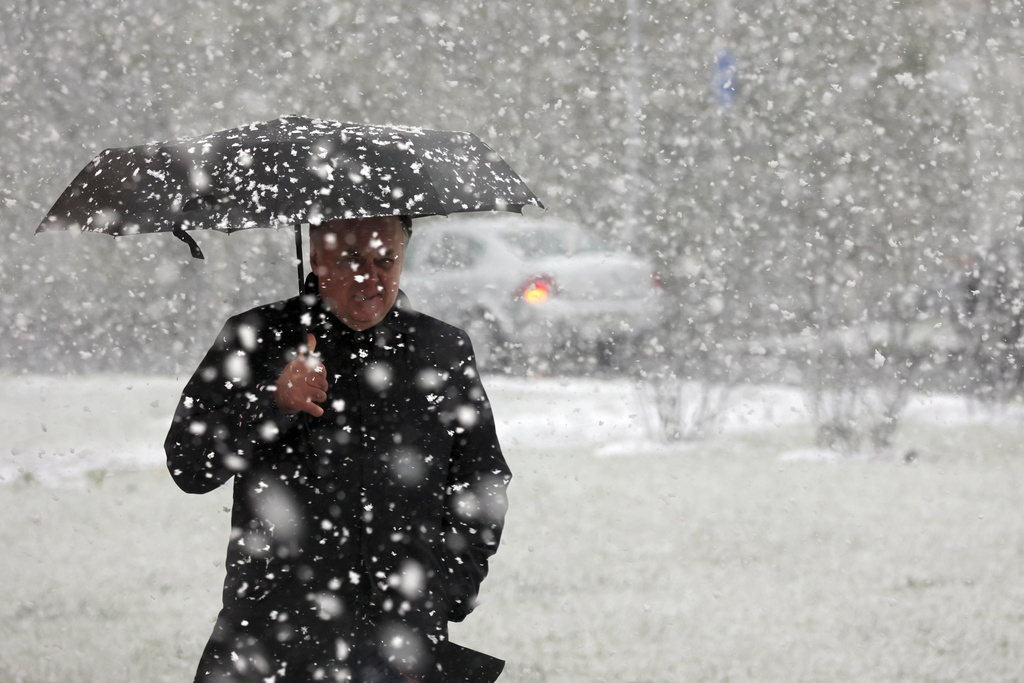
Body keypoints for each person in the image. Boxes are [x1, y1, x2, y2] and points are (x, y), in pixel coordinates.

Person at [164, 215, 511, 683]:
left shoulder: (442, 349)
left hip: (400, 639)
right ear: (317, 256)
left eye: (386, 260)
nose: (373, 277)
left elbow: (481, 481)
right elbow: (189, 464)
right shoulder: (257, 337)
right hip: (275, 634)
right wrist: (272, 402)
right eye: (353, 260)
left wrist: (446, 590)